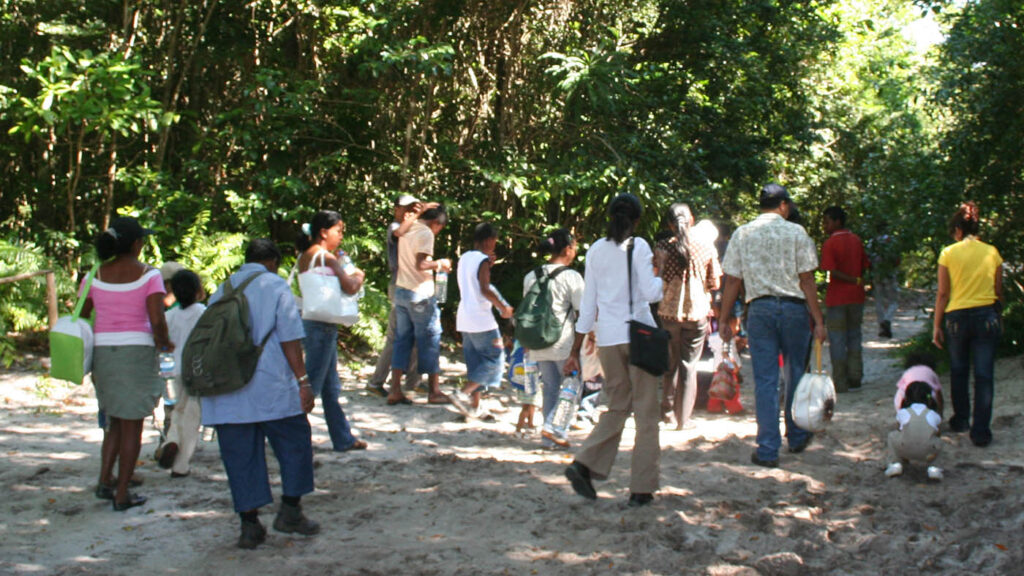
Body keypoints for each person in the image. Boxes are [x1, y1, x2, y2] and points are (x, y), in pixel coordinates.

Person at [201, 239, 319, 549]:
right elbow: (290, 338)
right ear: (273, 263)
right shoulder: (275, 286)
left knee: (240, 457)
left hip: (228, 386)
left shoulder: (223, 289)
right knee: (294, 444)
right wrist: (303, 382)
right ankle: (290, 510)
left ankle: (249, 525)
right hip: (271, 384)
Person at [562, 193, 664, 507]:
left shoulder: (595, 249)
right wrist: (661, 272)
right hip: (640, 335)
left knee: (617, 405)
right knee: (646, 412)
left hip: (607, 337)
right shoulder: (640, 246)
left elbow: (588, 304)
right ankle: (641, 488)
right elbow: (651, 293)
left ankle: (585, 463)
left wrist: (576, 347)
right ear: (637, 220)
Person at [718, 183, 827, 468]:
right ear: (784, 205)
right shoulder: (797, 233)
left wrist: (724, 318)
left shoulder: (743, 234)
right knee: (795, 374)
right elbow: (807, 280)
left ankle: (767, 449)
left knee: (765, 380)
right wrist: (818, 319)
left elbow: (733, 280)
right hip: (794, 310)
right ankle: (797, 435)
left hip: (760, 310)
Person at [79, 216, 172, 511]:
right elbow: (157, 319)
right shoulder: (149, 275)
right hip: (137, 352)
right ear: (136, 244)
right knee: (133, 426)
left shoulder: (94, 274)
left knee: (114, 421)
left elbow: (83, 313)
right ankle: (122, 494)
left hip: (103, 354)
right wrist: (165, 344)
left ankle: (105, 480)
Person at [296, 210, 369, 452]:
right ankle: (291, 436)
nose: (341, 235)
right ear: (324, 232)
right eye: (338, 230)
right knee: (312, 386)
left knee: (330, 387)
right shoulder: (326, 258)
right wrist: (359, 275)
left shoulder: (305, 256)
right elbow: (350, 287)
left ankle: (343, 438)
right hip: (323, 326)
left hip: (313, 322)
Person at [932, 201, 1003, 447]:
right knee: (984, 375)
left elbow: (943, 293)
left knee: (959, 370)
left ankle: (961, 419)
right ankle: (981, 431)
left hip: (957, 318)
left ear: (958, 230)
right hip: (986, 316)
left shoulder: (948, 253)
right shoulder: (992, 252)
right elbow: (998, 291)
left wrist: (937, 325)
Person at [655, 204, 721, 430]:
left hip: (668, 314)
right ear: (691, 219)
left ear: (669, 224)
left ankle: (667, 415)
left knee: (670, 364)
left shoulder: (662, 247)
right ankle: (684, 418)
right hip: (696, 313)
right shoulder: (706, 246)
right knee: (689, 366)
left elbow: (655, 276)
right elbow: (715, 282)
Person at [521, 228, 584, 447]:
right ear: (567, 249)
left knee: (549, 388)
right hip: (562, 343)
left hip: (537, 342)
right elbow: (582, 313)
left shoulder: (531, 276)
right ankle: (554, 428)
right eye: (574, 247)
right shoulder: (571, 277)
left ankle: (548, 440)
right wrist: (583, 344)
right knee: (572, 384)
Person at [387, 205, 453, 406]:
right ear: (436, 223)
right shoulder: (425, 233)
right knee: (431, 338)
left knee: (401, 341)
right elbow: (421, 264)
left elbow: (396, 233)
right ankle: (434, 391)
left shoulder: (407, 228)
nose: (438, 232)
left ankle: (395, 389)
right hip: (420, 294)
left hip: (401, 291)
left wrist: (418, 211)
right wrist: (441, 263)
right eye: (440, 228)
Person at [451, 223, 515, 418]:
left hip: (464, 318)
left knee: (476, 363)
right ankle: (462, 394)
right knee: (495, 360)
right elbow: (485, 289)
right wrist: (503, 308)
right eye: (495, 241)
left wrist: (488, 265)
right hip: (482, 320)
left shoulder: (465, 257)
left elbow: (473, 280)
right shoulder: (482, 260)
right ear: (489, 240)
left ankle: (475, 405)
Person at [367, 195, 429, 396]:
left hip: (413, 286)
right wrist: (419, 213)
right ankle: (376, 382)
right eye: (406, 208)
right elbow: (399, 233)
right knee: (395, 337)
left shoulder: (414, 228)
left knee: (415, 335)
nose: (409, 212)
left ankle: (413, 380)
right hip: (399, 285)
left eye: (413, 208)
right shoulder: (395, 227)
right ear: (396, 209)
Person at [159, 269, 207, 477]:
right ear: (198, 290)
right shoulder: (204, 313)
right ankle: (181, 466)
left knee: (177, 411)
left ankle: (171, 441)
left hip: (174, 370)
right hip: (197, 370)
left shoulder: (169, 316)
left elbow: (163, 342)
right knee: (192, 417)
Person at [821, 206, 870, 393]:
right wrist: (856, 280)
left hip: (837, 298)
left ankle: (840, 381)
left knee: (837, 339)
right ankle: (855, 376)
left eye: (827, 222)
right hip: (856, 296)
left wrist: (849, 279)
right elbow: (865, 265)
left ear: (837, 222)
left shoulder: (830, 244)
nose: (825, 226)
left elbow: (831, 270)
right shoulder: (856, 240)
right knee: (854, 335)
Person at [884, 381, 944, 481]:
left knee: (892, 436)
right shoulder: (933, 414)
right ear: (929, 399)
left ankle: (895, 464)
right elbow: (937, 432)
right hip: (927, 452)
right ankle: (934, 468)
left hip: (905, 448)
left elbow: (900, 429)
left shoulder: (903, 412)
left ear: (907, 398)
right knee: (939, 442)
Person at [867, 229, 900, 338]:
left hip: (877, 274)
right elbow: (897, 259)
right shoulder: (892, 241)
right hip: (889, 274)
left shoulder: (872, 242)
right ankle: (887, 319)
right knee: (893, 301)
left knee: (879, 301)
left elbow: (868, 260)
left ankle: (882, 327)